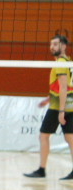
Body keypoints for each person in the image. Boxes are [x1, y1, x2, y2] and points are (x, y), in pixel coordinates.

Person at [24, 34, 73, 180]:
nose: (52, 47)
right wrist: (47, 98)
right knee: (70, 139)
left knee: (43, 136)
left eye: (56, 44)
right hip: (70, 105)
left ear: (64, 47)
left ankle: (41, 170)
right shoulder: (68, 61)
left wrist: (61, 111)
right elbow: (63, 87)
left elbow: (63, 88)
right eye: (51, 44)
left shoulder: (60, 64)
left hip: (59, 107)